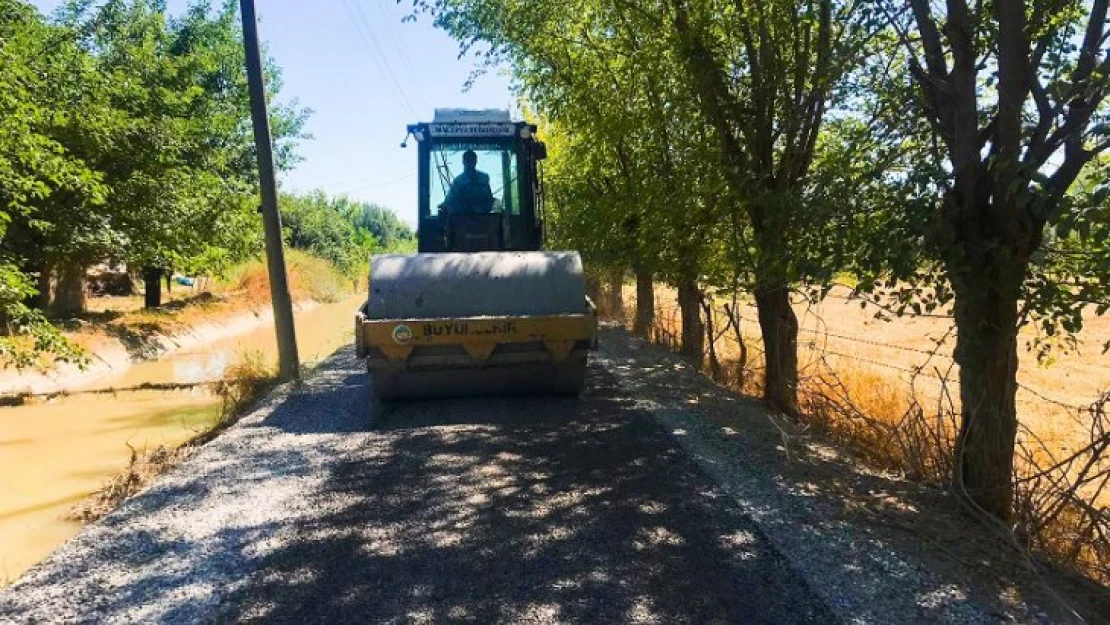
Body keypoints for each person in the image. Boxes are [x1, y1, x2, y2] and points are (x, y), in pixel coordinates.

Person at [441, 150, 494, 214]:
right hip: (463, 218)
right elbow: (449, 202)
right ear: (463, 162)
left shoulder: (484, 178)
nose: (470, 163)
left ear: (476, 161)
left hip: (483, 217)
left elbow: (489, 199)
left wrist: (484, 209)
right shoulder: (458, 181)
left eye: (472, 160)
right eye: (467, 161)